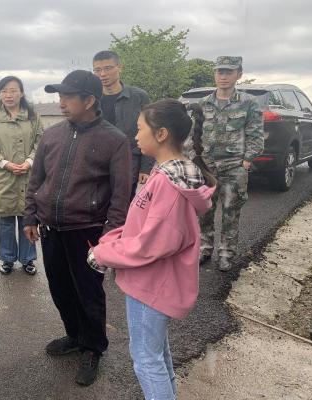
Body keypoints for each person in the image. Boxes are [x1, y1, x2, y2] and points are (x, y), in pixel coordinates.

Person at [89, 99, 216, 400]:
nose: (135, 136)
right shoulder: (166, 174)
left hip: (152, 285)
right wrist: (113, 240)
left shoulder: (169, 184)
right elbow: (143, 225)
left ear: (160, 134)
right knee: (157, 355)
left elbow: (154, 243)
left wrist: (103, 254)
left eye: (139, 129)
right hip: (153, 281)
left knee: (147, 361)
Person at [23, 70, 132, 386]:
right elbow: (36, 179)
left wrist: (109, 238)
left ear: (89, 100)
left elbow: (121, 195)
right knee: (60, 289)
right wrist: (30, 216)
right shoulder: (52, 135)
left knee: (89, 294)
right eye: (60, 96)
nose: (62, 102)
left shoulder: (115, 141)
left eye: (68, 97)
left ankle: (93, 348)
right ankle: (74, 335)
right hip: (51, 229)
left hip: (88, 232)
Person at [196, 56, 264, 271]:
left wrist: (247, 160)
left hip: (234, 168)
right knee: (204, 211)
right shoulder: (203, 103)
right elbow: (194, 134)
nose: (223, 76)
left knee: (230, 213)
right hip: (207, 168)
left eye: (228, 72)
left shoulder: (249, 102)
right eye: (220, 72)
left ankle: (226, 253)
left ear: (239, 74)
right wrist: (194, 161)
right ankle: (204, 248)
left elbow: (256, 135)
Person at [0, 76, 43, 275]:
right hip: (3, 177)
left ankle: (28, 259)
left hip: (28, 176)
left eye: (13, 90)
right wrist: (4, 162)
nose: (8, 95)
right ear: (0, 94)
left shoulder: (33, 116)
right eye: (4, 91)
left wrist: (30, 161)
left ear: (21, 93)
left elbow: (41, 141)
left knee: (27, 218)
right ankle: (7, 258)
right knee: (5, 222)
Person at [93, 50, 153, 199]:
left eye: (108, 68)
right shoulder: (91, 100)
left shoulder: (138, 97)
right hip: (97, 166)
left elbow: (150, 131)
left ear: (120, 67)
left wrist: (146, 168)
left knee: (125, 206)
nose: (102, 74)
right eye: (97, 70)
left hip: (129, 165)